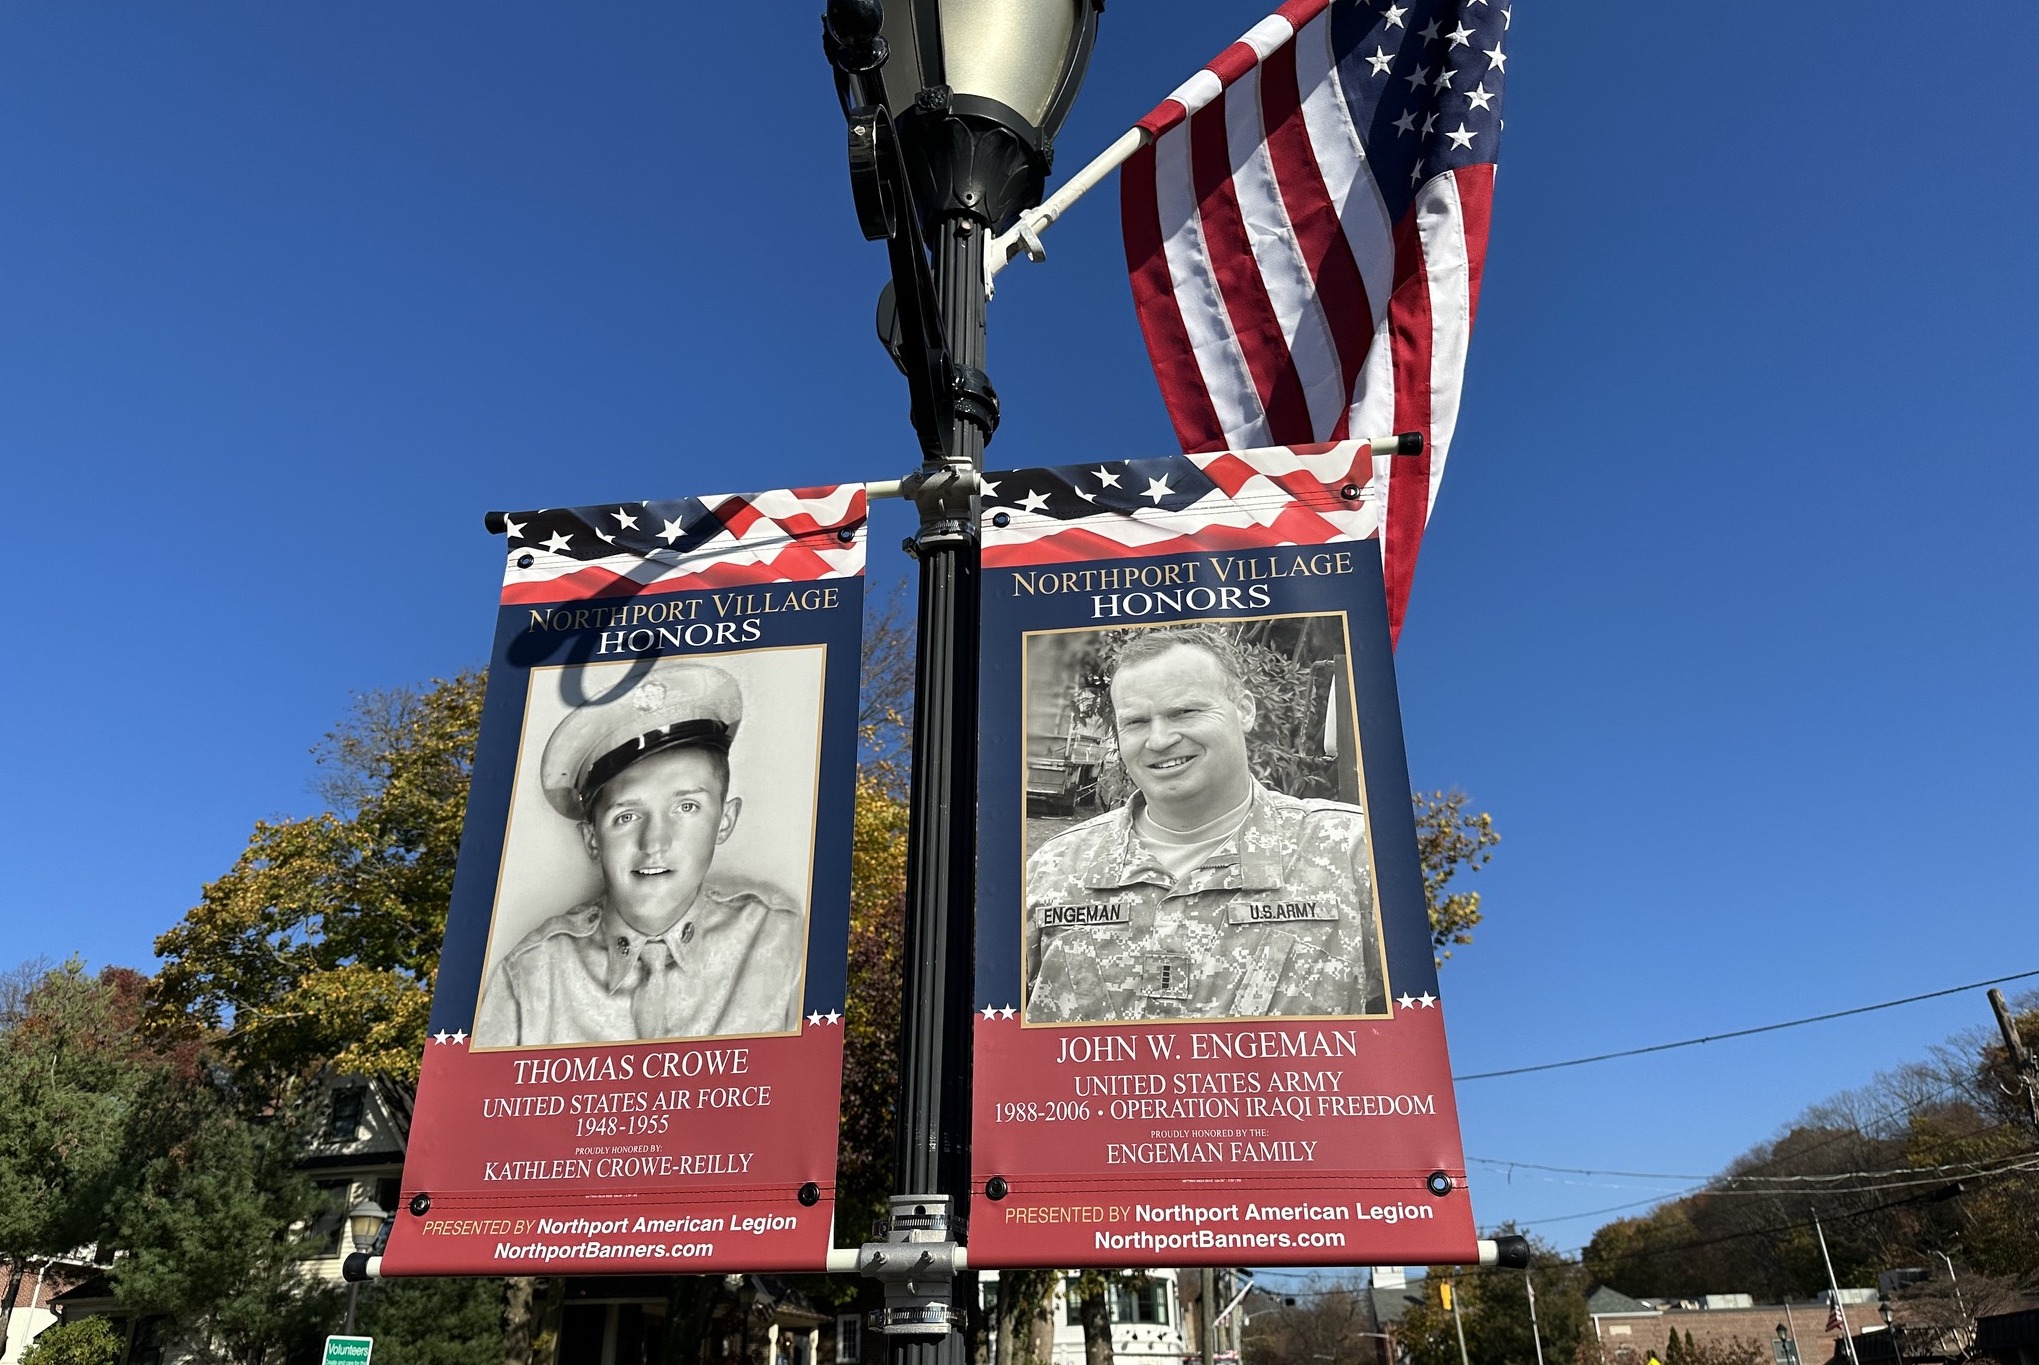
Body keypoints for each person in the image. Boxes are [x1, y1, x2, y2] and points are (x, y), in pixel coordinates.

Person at [1022, 624, 1388, 1023]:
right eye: (1137, 722)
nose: (1159, 739)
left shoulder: (1355, 853)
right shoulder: (1053, 868)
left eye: (1185, 712)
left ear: (1245, 709)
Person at [474, 660, 805, 1047]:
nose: (654, 843)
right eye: (627, 816)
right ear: (592, 839)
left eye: (686, 808)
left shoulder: (780, 939)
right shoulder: (532, 977)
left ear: (725, 820)